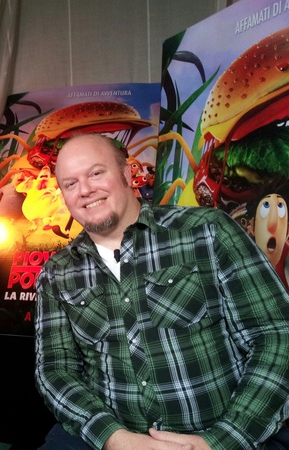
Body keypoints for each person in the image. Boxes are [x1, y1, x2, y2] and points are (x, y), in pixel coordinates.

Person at [34, 133, 289, 450]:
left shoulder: (207, 231)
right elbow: (55, 370)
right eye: (70, 183)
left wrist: (221, 440)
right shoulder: (56, 273)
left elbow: (276, 335)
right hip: (112, 437)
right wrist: (113, 438)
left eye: (96, 173)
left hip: (221, 434)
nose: (85, 190)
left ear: (127, 174)